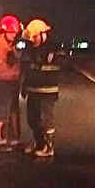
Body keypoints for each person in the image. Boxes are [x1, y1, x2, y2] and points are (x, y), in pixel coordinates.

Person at [19, 18, 60, 157]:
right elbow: (28, 70)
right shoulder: (32, 50)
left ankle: (49, 146)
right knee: (33, 119)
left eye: (35, 37)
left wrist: (44, 63)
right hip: (33, 91)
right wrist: (24, 86)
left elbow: (60, 64)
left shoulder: (52, 50)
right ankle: (39, 143)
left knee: (45, 120)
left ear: (43, 34)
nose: (33, 40)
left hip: (47, 91)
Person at [0, 14, 22, 152]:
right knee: (1, 112)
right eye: (11, 32)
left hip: (8, 83)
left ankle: (12, 140)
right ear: (4, 31)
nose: (14, 35)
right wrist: (15, 75)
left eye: (15, 33)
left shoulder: (8, 45)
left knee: (11, 110)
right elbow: (0, 70)